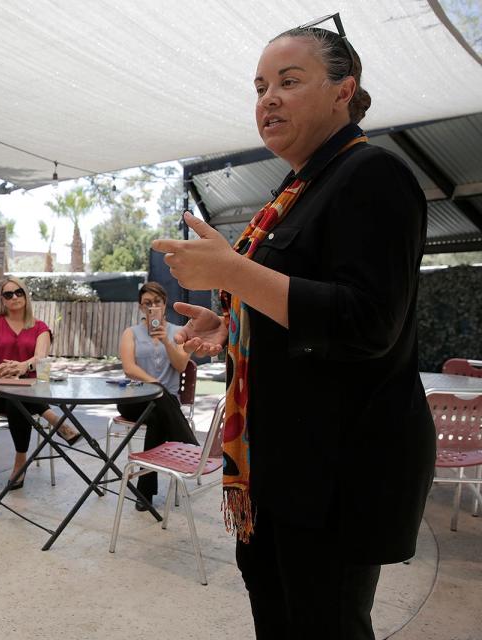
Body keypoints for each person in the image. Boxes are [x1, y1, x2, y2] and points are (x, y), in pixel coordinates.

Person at [153, 16, 435, 639]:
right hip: (278, 467)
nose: (267, 99)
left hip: (337, 470)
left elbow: (367, 323)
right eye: (259, 87)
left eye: (288, 80)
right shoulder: (299, 186)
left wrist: (235, 273)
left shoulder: (372, 174)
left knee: (324, 623)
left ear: (343, 90)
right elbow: (294, 308)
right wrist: (231, 324)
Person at [0, 277, 79, 489]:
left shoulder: (40, 327)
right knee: (15, 395)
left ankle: (20, 461)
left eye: (18, 292)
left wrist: (23, 367)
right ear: (2, 300)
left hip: (28, 388)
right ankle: (54, 419)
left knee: (17, 399)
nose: (14, 297)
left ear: (25, 295)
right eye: (8, 294)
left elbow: (40, 358)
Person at [116, 282, 198, 511]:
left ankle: (145, 494)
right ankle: (191, 447)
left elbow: (181, 365)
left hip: (163, 406)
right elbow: (129, 368)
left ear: (164, 304)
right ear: (141, 308)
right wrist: (157, 386)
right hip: (134, 399)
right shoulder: (130, 333)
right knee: (161, 402)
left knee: (157, 419)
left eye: (157, 302)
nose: (152, 307)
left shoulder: (179, 332)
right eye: (147, 303)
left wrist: (165, 341)